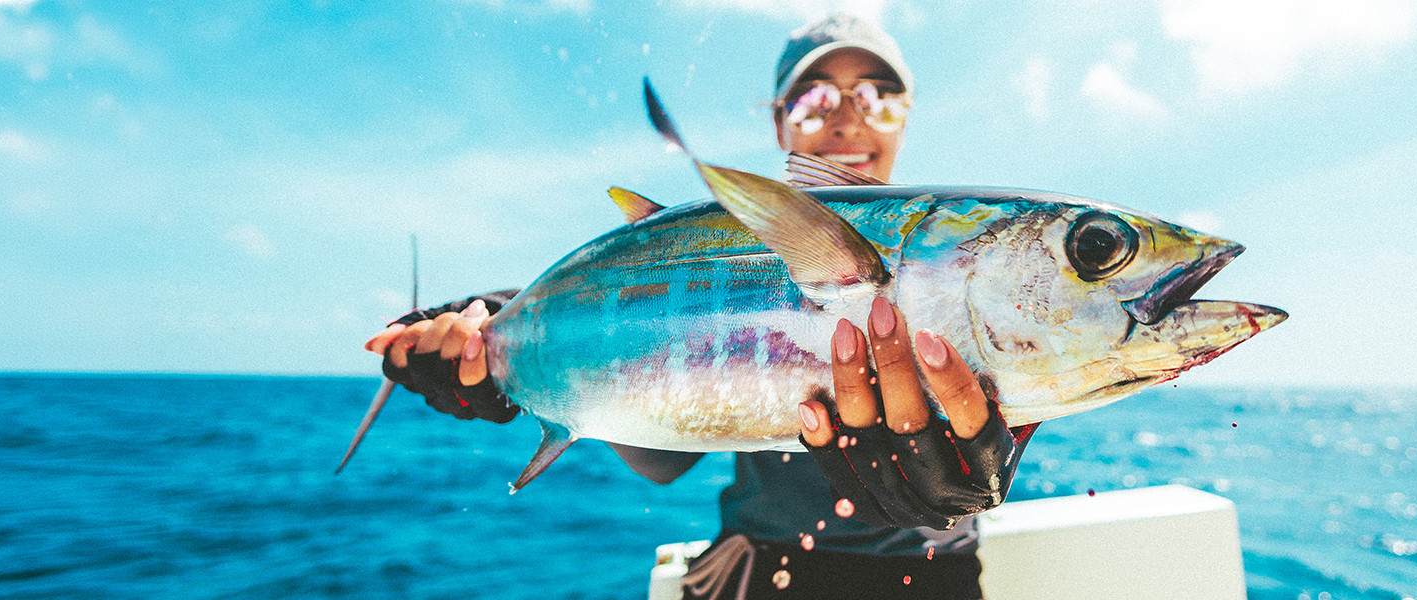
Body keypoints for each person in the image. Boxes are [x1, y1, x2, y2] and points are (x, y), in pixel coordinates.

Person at [364, 15, 1031, 600]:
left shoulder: (969, 252)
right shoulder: (724, 245)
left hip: (934, 579)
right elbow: (662, 458)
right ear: (778, 120)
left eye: (878, 98)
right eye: (813, 98)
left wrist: (991, 467)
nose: (846, 118)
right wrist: (522, 337)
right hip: (763, 573)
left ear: (907, 114)